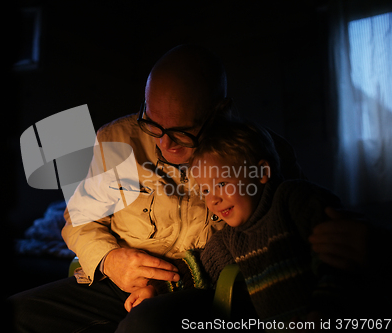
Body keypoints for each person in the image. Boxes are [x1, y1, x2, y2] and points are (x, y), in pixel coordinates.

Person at [8, 44, 374, 333]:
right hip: (122, 282)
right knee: (17, 314)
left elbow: (304, 218)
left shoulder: (262, 151)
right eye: (153, 124)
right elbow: (77, 221)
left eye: (182, 132)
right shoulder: (116, 141)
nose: (166, 144)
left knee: (148, 324)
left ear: (220, 111)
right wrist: (109, 259)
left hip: (205, 290)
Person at [124, 119, 361, 326]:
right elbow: (195, 270)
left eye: (222, 184)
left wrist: (321, 313)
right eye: (205, 190)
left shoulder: (293, 199)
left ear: (261, 172)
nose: (213, 199)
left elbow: (339, 261)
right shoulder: (230, 239)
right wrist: (154, 288)